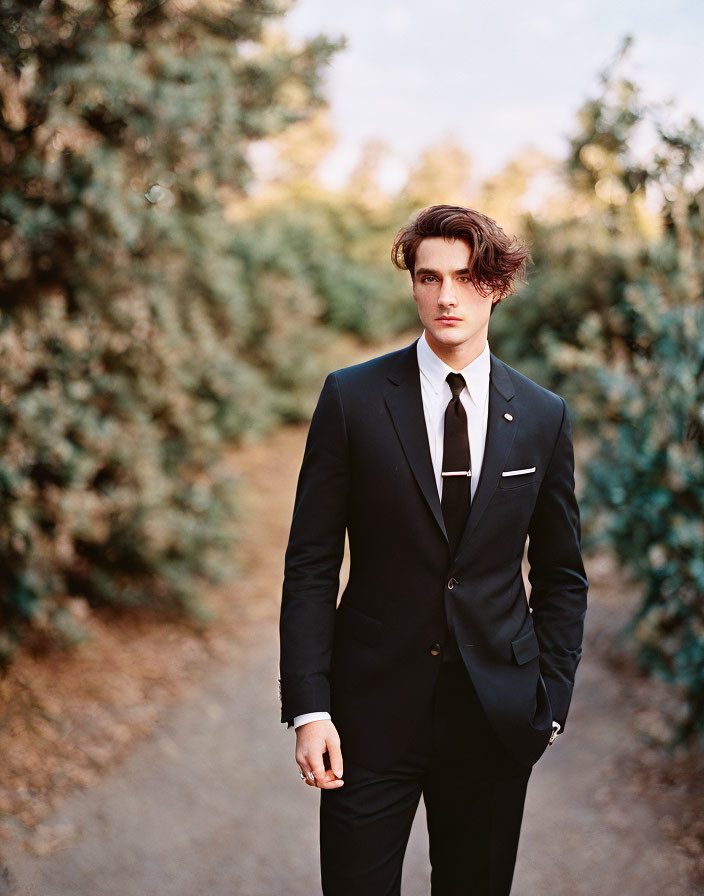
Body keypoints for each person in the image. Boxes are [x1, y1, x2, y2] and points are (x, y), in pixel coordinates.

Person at [279, 204, 588, 896]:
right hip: (369, 713)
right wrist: (310, 707)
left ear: (497, 285)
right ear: (412, 282)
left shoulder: (543, 415)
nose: (446, 296)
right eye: (428, 277)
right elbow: (310, 563)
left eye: (465, 277)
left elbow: (563, 575)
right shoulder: (352, 398)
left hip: (493, 716)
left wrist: (553, 698)